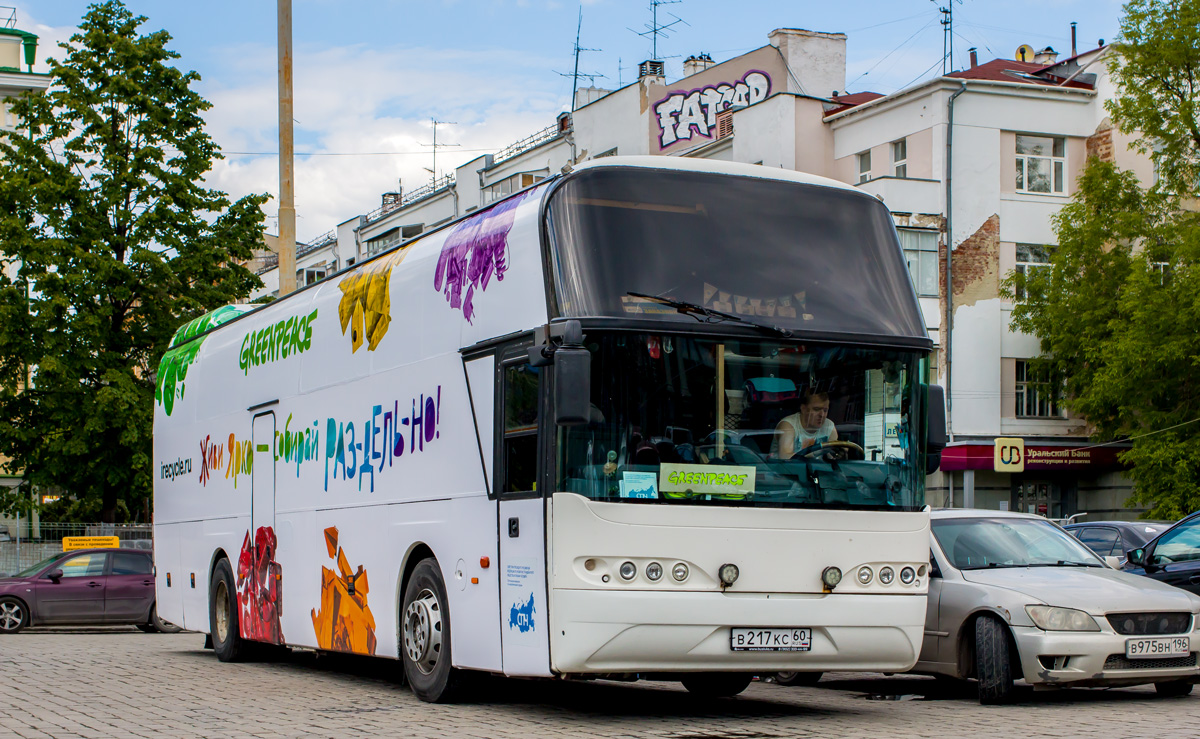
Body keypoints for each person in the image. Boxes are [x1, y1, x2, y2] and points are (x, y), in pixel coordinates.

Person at [771, 391, 838, 459]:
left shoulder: (829, 427)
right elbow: (785, 458)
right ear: (803, 409)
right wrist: (814, 453)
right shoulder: (788, 425)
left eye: (825, 410)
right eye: (816, 409)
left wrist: (839, 454)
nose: (822, 415)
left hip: (815, 469)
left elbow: (832, 458)